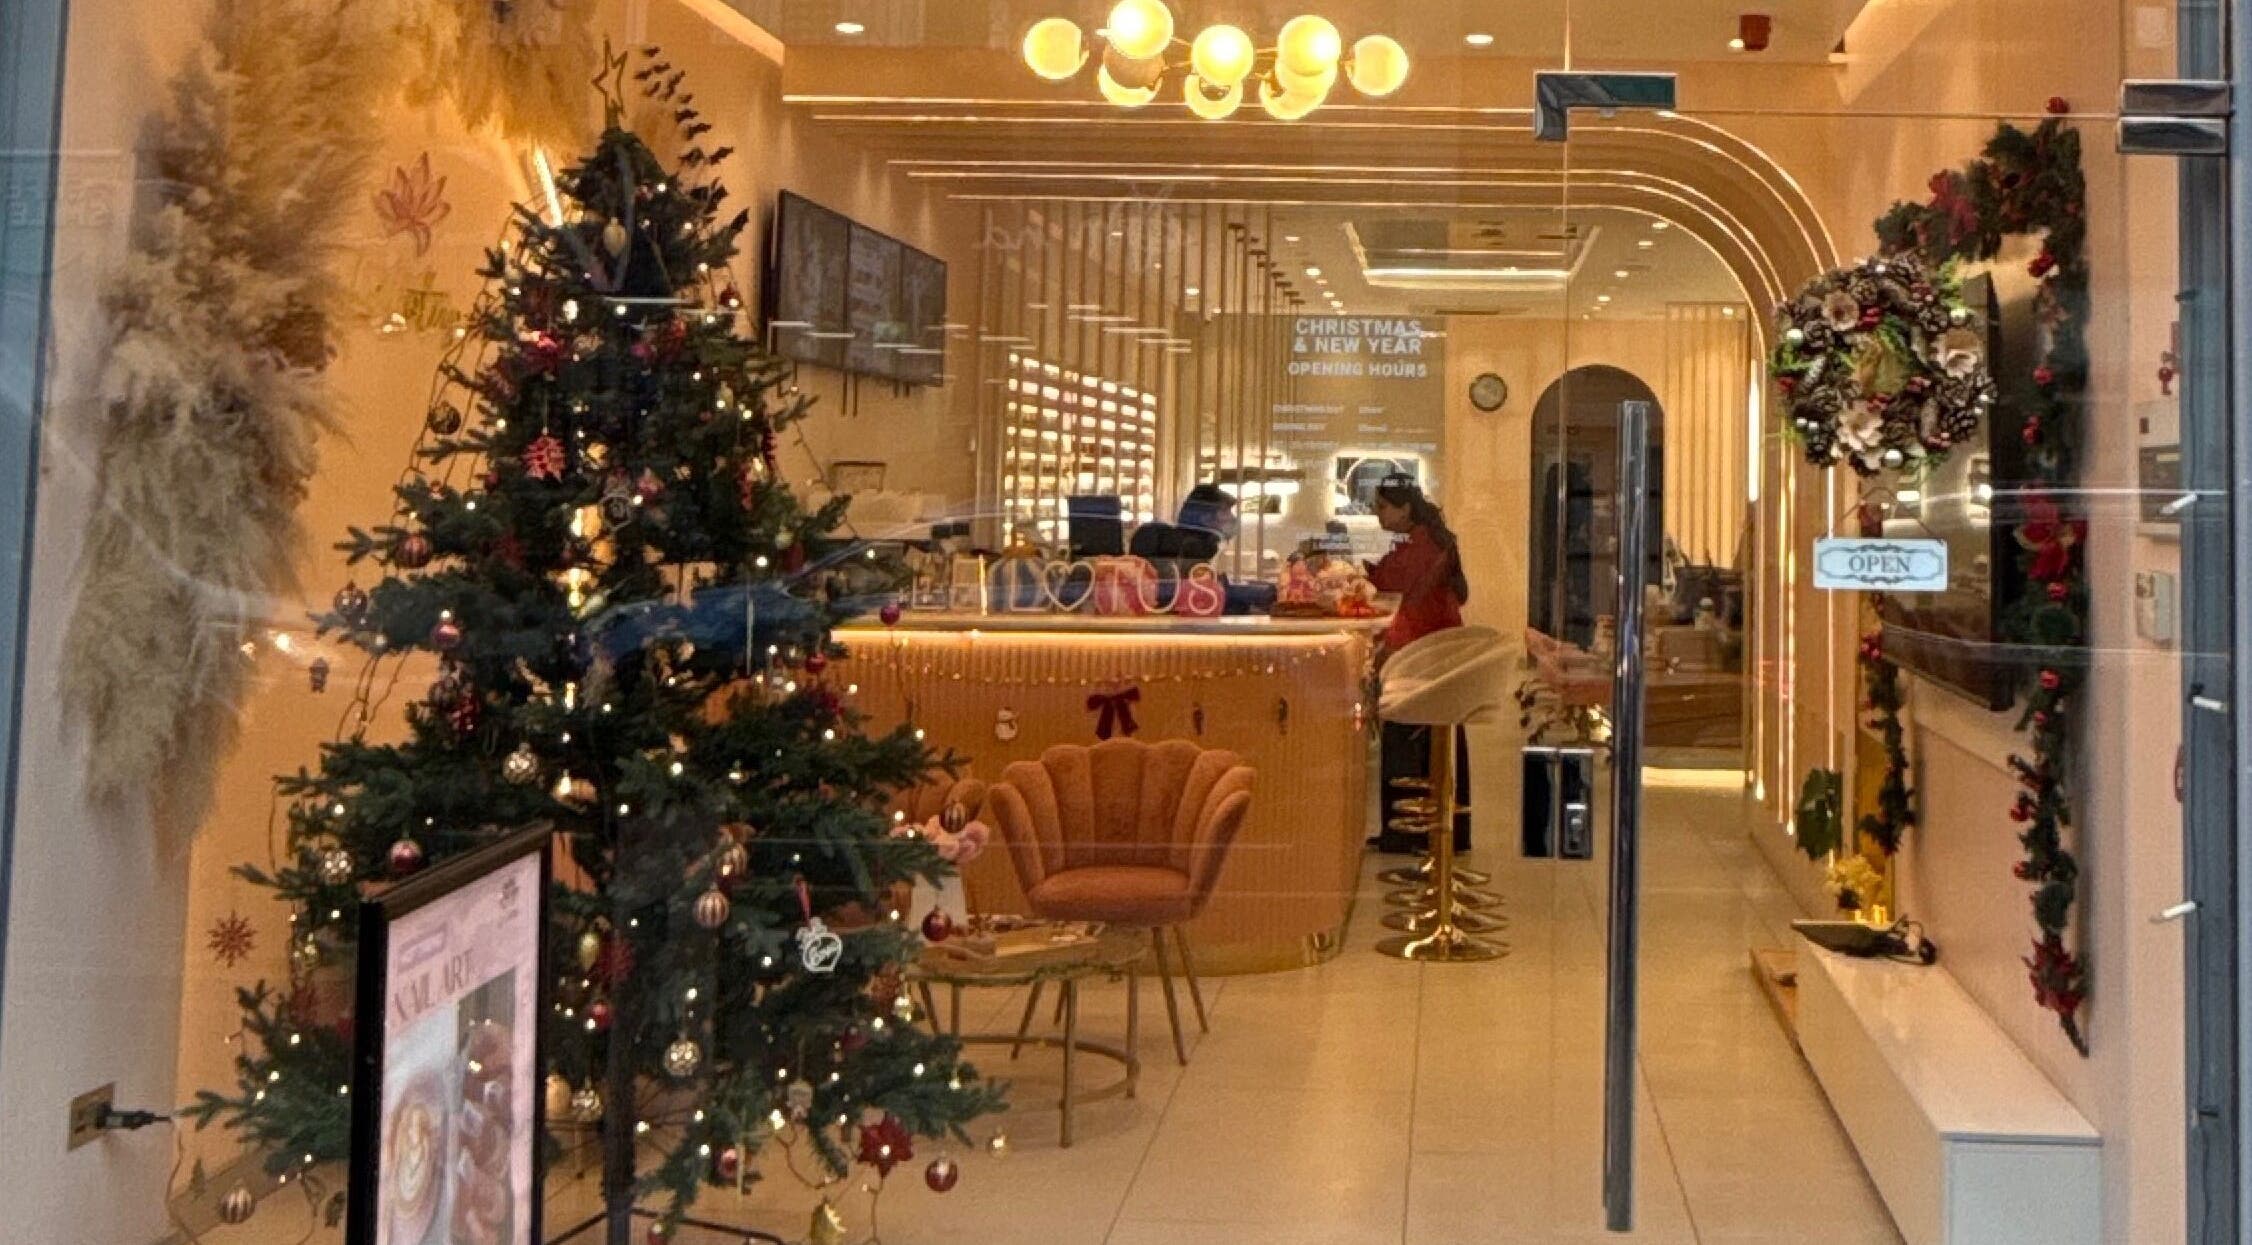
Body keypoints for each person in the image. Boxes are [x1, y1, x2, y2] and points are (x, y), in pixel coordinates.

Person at [1364, 475, 1472, 855]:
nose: (1377, 514)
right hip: (1435, 653)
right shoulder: (1428, 540)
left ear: (1405, 508)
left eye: (1383, 507)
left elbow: (1390, 582)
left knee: (1406, 733)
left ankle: (1409, 832)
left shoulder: (1422, 546)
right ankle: (1433, 830)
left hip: (1424, 657)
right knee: (1429, 738)